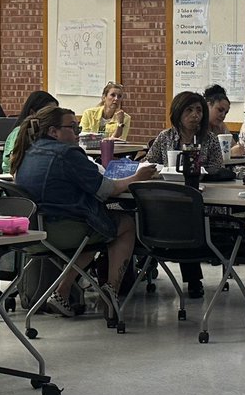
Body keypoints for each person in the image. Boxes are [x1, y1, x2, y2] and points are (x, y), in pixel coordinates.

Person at [10, 106, 156, 317]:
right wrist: (136, 178)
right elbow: (107, 190)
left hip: (32, 232)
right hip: (63, 229)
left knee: (93, 234)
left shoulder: (27, 151)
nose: (79, 132)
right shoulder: (68, 153)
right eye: (73, 128)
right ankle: (112, 291)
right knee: (124, 225)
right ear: (53, 132)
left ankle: (62, 291)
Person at [144, 91, 229, 298]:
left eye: (199, 110)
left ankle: (193, 279)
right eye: (189, 110)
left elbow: (217, 168)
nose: (195, 115)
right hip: (168, 195)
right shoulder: (165, 137)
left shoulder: (209, 139)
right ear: (178, 113)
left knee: (188, 217)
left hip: (201, 196)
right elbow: (148, 163)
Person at [3, 90, 59, 174]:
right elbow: (13, 164)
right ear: (33, 113)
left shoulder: (51, 132)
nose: (53, 117)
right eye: (48, 113)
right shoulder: (20, 132)